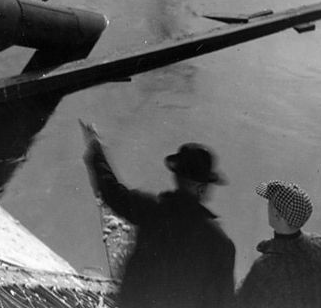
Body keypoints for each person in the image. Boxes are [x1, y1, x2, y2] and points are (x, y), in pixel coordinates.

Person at [81, 121, 236, 308]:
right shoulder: (221, 244)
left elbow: (111, 191)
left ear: (176, 177)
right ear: (203, 188)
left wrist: (95, 148)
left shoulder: (152, 210)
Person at [236, 180, 321, 308]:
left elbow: (241, 302)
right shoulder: (320, 247)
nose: (267, 206)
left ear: (277, 215)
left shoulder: (266, 266)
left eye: (269, 203)